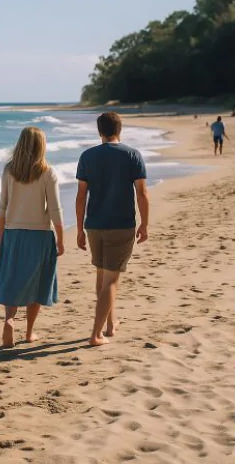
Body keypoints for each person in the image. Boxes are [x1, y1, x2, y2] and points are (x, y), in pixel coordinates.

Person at [76, 112, 149, 347]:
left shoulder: (87, 156)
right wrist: (145, 223)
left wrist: (79, 228)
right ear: (120, 129)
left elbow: (81, 196)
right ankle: (96, 334)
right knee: (110, 281)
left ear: (100, 131)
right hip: (121, 225)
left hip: (94, 225)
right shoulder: (132, 155)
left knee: (102, 277)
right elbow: (142, 193)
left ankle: (110, 324)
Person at [0, 127, 64, 348]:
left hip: (13, 233)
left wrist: (2, 237)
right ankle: (29, 332)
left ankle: (9, 320)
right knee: (37, 283)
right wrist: (61, 239)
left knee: (12, 280)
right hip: (40, 235)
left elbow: (2, 208)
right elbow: (55, 210)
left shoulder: (9, 170)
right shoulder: (47, 172)